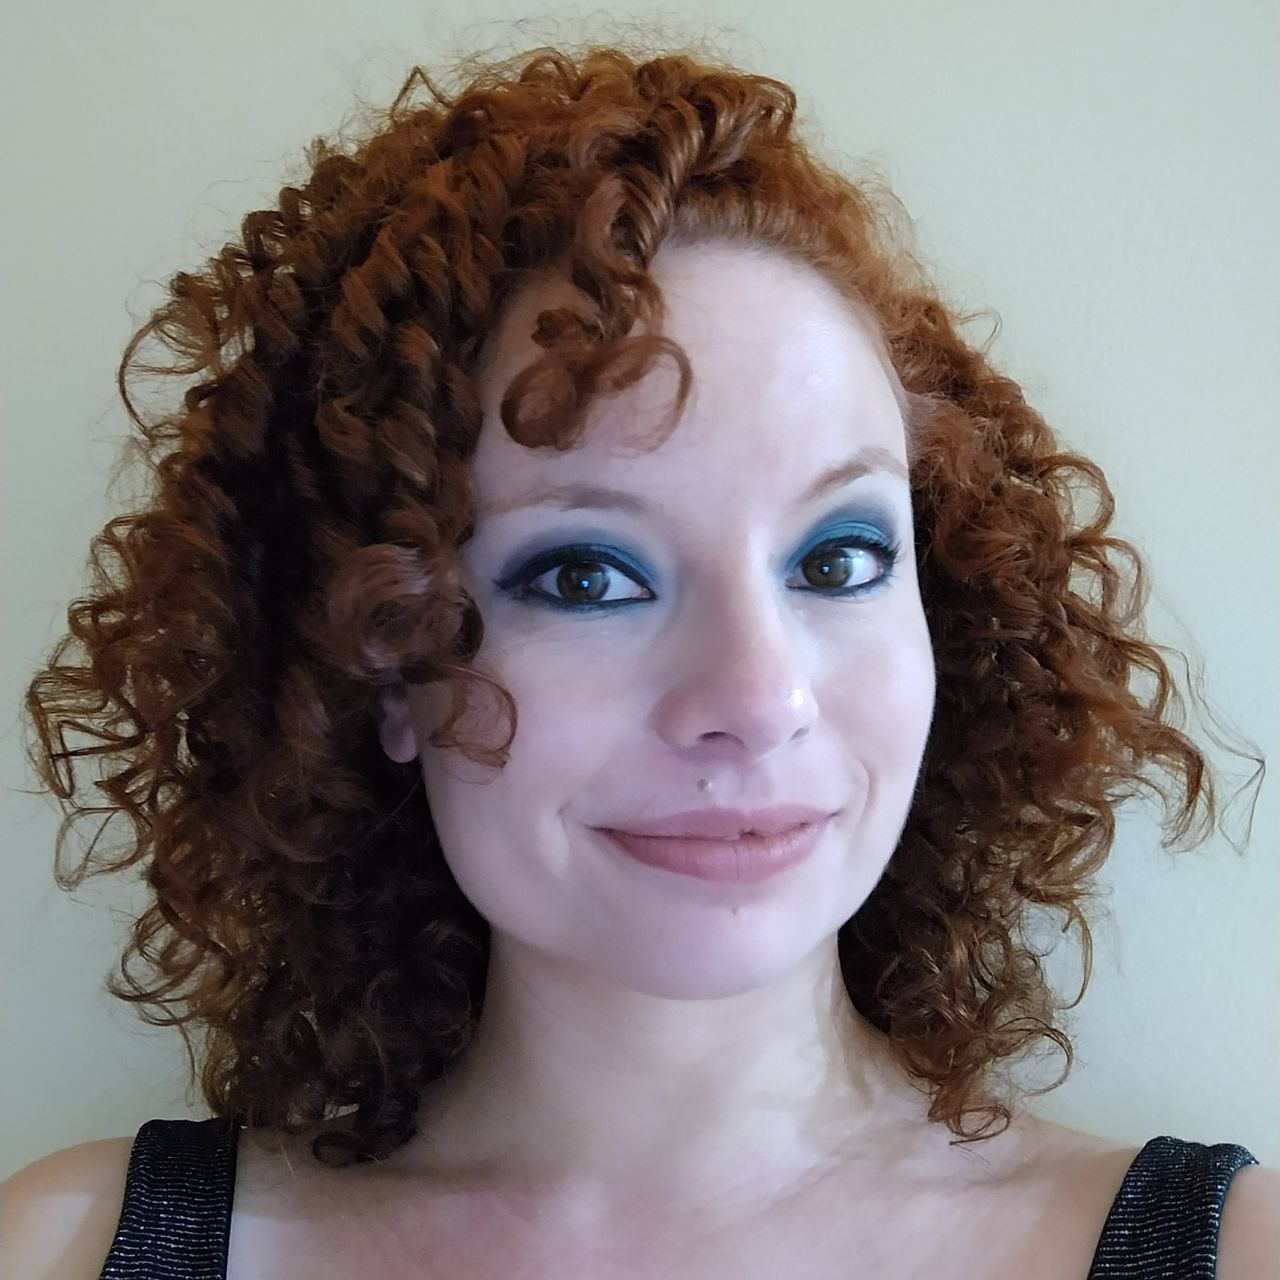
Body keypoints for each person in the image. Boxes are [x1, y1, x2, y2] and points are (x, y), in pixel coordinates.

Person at [1, 41, 1275, 1280]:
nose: (757, 697)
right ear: (378, 659)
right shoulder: (70, 1246)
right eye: (585, 576)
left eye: (837, 558)